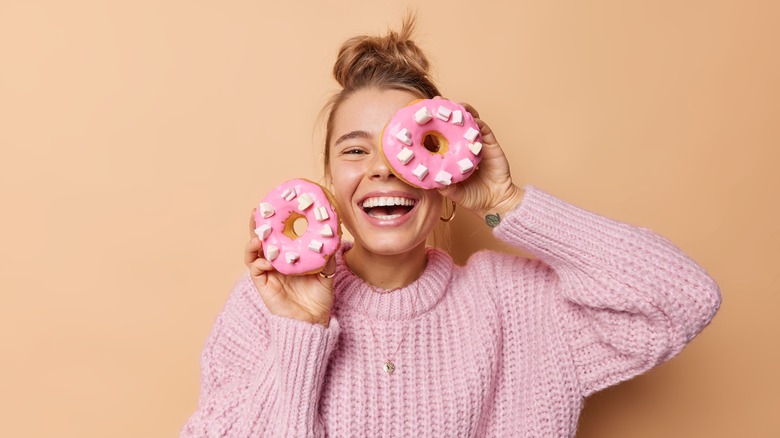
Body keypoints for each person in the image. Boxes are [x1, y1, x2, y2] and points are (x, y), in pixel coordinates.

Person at [181, 17, 721, 437]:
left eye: (406, 148)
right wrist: (302, 333)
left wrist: (506, 203)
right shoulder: (266, 305)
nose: (382, 167)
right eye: (354, 149)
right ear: (327, 184)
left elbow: (683, 297)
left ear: (444, 174)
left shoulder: (515, 305)